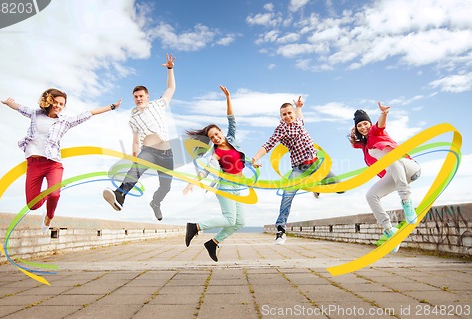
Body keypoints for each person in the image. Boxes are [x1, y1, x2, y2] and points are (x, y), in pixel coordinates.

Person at [1, 88, 121, 234]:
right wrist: (8, 103)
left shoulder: (65, 121)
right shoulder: (35, 114)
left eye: (62, 104)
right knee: (32, 205)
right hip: (33, 164)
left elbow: (89, 113)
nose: (58, 106)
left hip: (53, 164)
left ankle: (49, 216)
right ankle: (56, 188)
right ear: (50, 101)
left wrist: (112, 106)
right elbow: (20, 108)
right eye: (56, 103)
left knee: (54, 195)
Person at [251, 96, 341, 245]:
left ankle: (315, 185)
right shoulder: (281, 129)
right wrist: (255, 158)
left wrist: (299, 107)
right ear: (281, 116)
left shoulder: (299, 121)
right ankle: (280, 230)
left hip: (316, 164)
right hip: (299, 168)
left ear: (293, 113)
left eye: (289, 113)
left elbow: (300, 116)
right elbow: (268, 145)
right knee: (287, 195)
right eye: (284, 114)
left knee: (339, 188)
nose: (287, 116)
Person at [103, 54, 176, 221]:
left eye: (141, 96)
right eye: (136, 97)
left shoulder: (158, 105)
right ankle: (120, 195)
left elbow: (170, 89)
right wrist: (135, 157)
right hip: (148, 151)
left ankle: (156, 203)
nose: (138, 99)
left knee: (166, 187)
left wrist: (170, 70)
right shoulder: (133, 118)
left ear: (147, 96)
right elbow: (136, 140)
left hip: (166, 152)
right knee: (135, 171)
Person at [183, 85, 246, 262]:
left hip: (237, 187)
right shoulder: (216, 154)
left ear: (221, 132)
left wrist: (228, 98)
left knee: (240, 222)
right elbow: (206, 171)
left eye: (217, 134)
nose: (216, 138)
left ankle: (213, 242)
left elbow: (232, 120)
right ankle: (195, 227)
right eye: (212, 137)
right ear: (211, 140)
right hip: (225, 186)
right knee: (229, 219)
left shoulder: (232, 140)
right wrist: (192, 183)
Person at [349, 102, 420, 252]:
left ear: (370, 123)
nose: (363, 127)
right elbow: (354, 143)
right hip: (395, 174)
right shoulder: (364, 146)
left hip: (409, 167)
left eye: (365, 123)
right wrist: (352, 134)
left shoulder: (376, 132)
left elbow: (380, 125)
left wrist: (384, 113)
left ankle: (406, 202)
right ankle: (389, 231)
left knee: (391, 159)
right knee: (371, 195)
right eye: (359, 125)